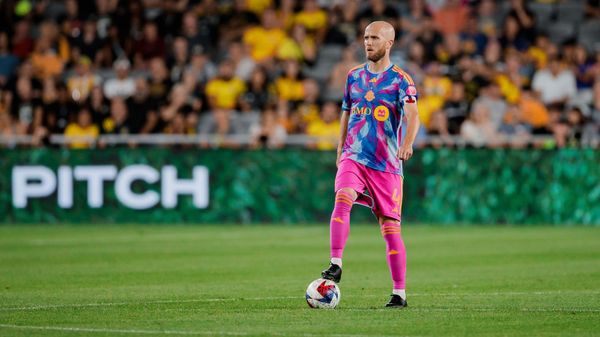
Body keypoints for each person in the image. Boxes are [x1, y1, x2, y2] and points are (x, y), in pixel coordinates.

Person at [319, 21, 420, 308]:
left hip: (386, 164)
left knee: (390, 228)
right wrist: (340, 146)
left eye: (374, 37)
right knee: (342, 196)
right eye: (365, 37)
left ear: (389, 43)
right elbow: (346, 112)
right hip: (354, 154)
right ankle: (336, 262)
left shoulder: (401, 80)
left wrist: (408, 142)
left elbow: (413, 116)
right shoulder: (353, 77)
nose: (368, 42)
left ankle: (399, 293)